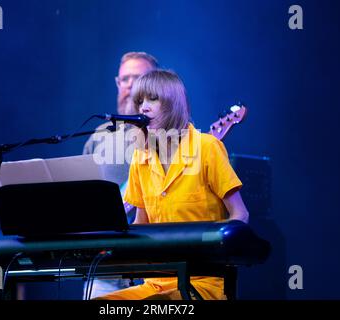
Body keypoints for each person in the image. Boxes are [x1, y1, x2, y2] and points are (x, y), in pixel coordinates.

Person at [94, 69, 249, 300]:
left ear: (172, 103)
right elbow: (141, 224)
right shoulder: (141, 158)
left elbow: (240, 213)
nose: (143, 107)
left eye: (152, 99)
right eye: (140, 101)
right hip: (154, 283)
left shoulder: (207, 147)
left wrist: (219, 249)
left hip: (202, 284)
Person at [81, 52, 159, 299]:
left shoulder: (170, 133)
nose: (130, 86)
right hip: (103, 269)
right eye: (125, 79)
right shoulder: (99, 136)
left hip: (153, 265)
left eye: (139, 78)